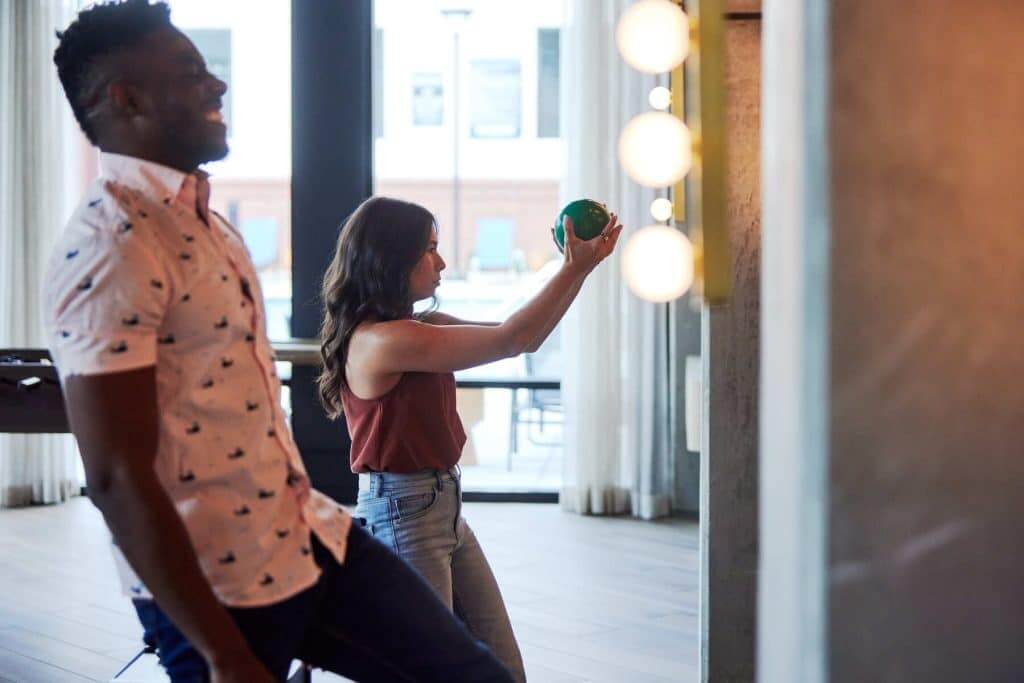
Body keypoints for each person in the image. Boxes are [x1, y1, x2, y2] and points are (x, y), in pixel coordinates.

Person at [46, 2, 513, 681]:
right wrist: (219, 650)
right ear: (128, 98)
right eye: (191, 72)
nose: (218, 85)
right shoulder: (107, 246)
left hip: (304, 536)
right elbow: (117, 475)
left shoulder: (211, 225)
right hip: (218, 588)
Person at [317, 196, 622, 682]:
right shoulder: (382, 341)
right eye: (429, 249)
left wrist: (579, 271)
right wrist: (573, 269)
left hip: (441, 508)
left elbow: (524, 336)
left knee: (502, 670)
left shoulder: (420, 327)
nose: (441, 263)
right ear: (391, 258)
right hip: (403, 514)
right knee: (432, 673)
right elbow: (512, 340)